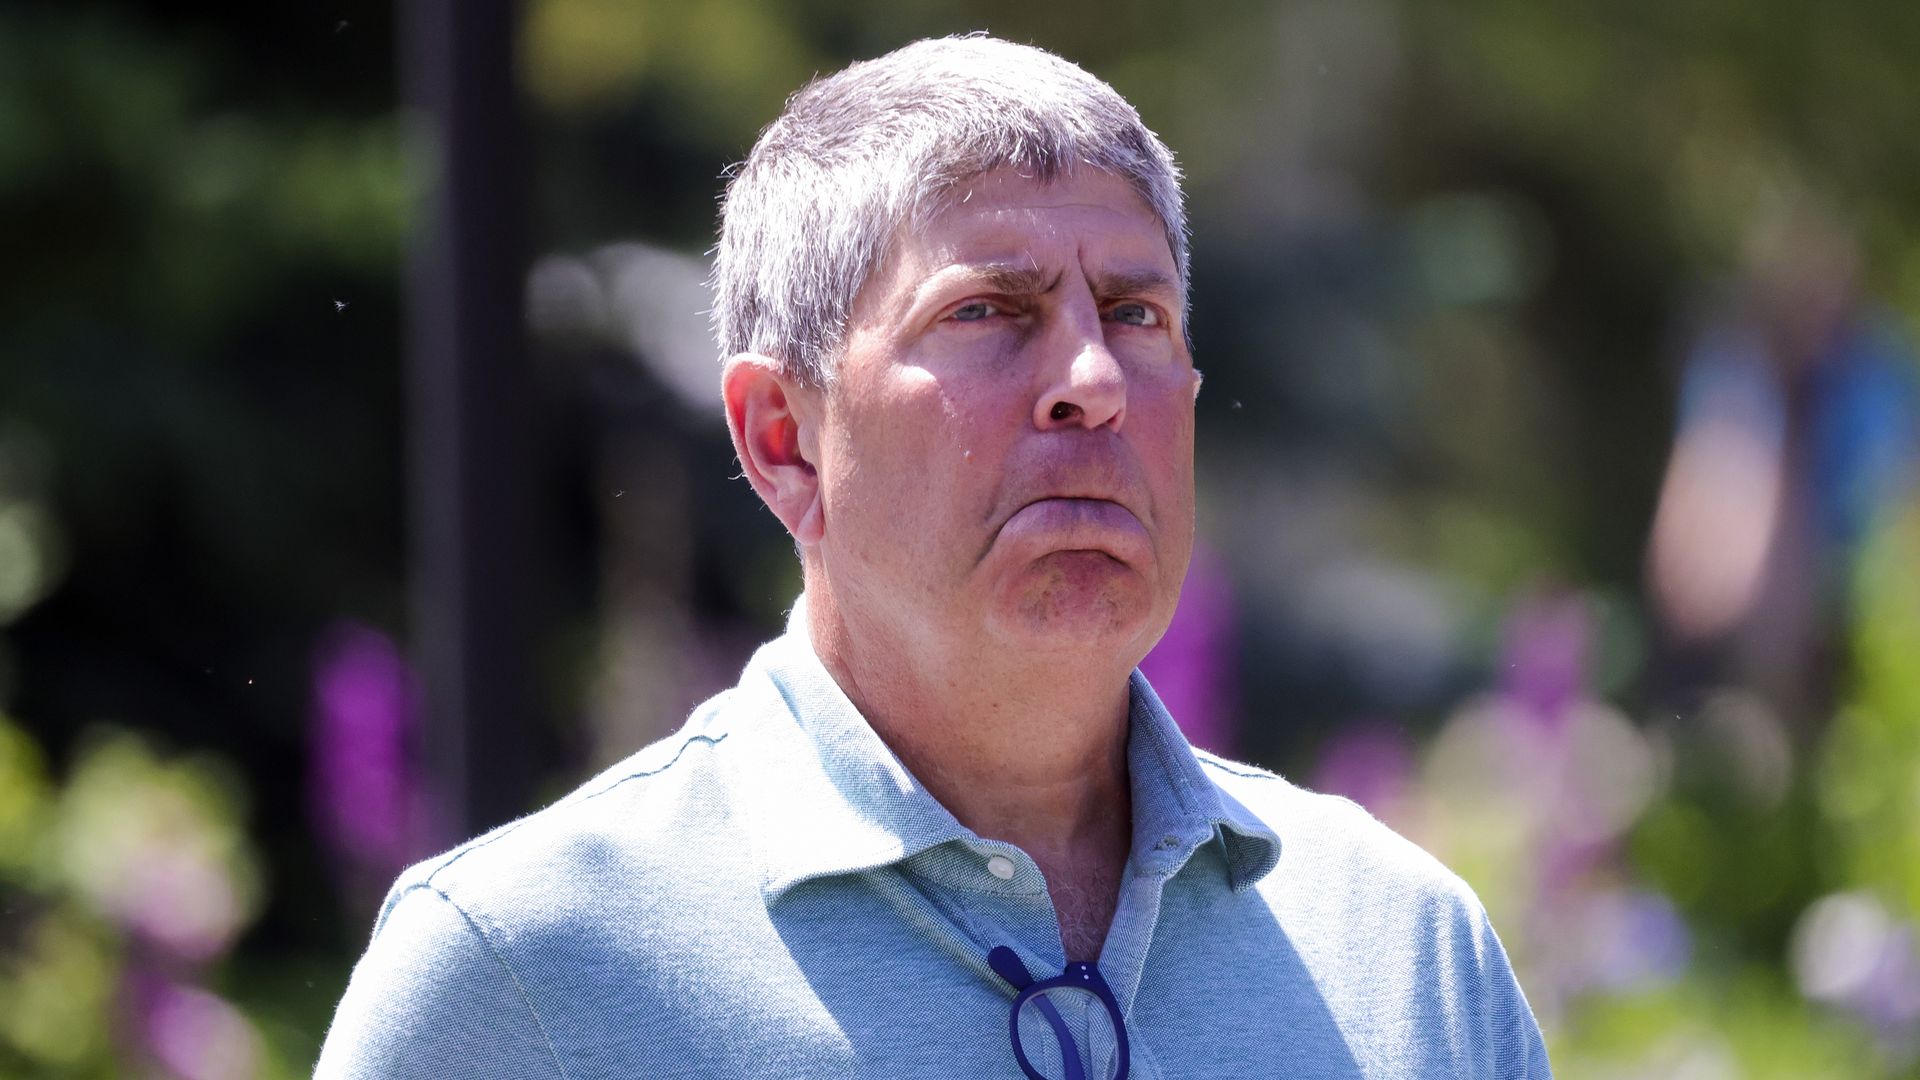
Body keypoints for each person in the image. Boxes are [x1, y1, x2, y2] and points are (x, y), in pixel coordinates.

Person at [316, 35, 1550, 1078]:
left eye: (1136, 314)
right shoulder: (520, 976)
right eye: (988, 313)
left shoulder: (1405, 955)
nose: (1091, 382)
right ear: (783, 439)